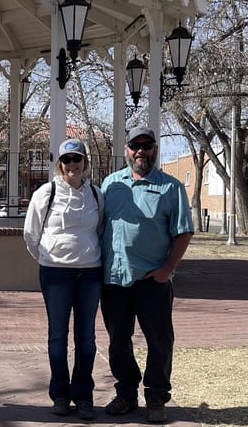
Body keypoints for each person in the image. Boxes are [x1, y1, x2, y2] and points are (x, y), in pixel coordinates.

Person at [101, 126, 194, 423]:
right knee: (118, 342)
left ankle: (156, 398)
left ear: (155, 149)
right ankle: (126, 394)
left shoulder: (171, 187)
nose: (141, 151)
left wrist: (167, 269)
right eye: (135, 145)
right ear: (127, 149)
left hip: (152, 281)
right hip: (114, 280)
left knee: (159, 341)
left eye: (147, 145)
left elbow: (183, 232)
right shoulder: (110, 185)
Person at [24, 138, 104, 420]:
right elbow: (31, 235)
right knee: (57, 336)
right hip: (55, 272)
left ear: (85, 163)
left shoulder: (96, 194)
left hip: (90, 273)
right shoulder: (46, 193)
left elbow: (101, 228)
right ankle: (60, 393)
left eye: (77, 159)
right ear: (60, 163)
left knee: (87, 339)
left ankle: (83, 396)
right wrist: (49, 259)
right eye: (67, 159)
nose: (72, 164)